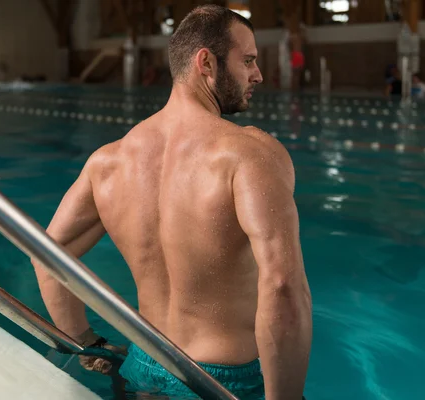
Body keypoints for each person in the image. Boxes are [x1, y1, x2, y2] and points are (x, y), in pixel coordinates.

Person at [32, 5, 312, 399]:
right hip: (222, 381)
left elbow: (48, 253)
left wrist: (85, 342)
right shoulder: (249, 155)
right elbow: (283, 286)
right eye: (247, 60)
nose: (258, 74)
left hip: (144, 365)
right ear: (206, 63)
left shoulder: (108, 161)